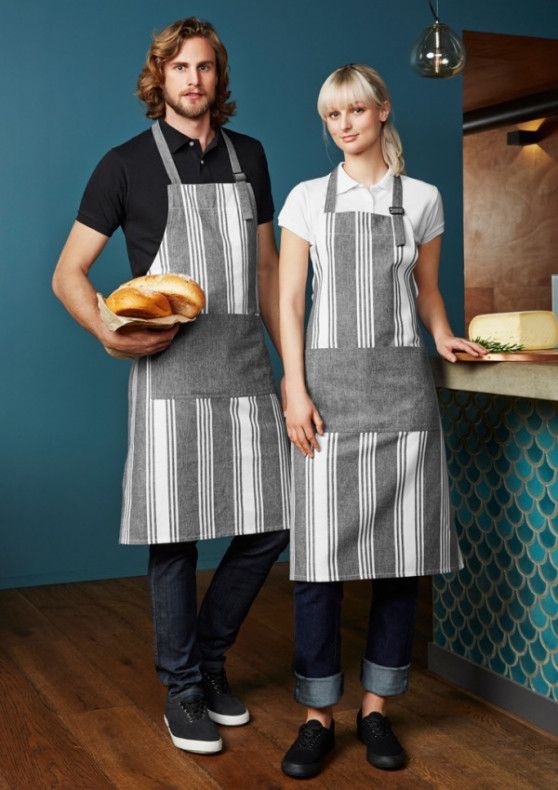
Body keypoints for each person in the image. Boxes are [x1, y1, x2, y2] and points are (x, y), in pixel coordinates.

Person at [52, 17, 290, 756]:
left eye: (207, 67)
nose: (194, 79)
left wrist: (295, 376)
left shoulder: (250, 156)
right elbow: (68, 274)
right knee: (175, 536)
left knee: (270, 523)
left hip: (247, 366)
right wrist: (106, 331)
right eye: (181, 67)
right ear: (161, 79)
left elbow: (268, 272)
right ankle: (184, 688)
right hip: (170, 373)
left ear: (221, 78)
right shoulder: (124, 164)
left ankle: (211, 662)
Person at [277, 64, 487, 779]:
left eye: (357, 110)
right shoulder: (307, 199)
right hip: (327, 397)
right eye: (333, 115)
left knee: (401, 560)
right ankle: (316, 717)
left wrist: (445, 334)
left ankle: (376, 710)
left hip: (402, 394)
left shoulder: (422, 199)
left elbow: (426, 293)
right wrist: (294, 388)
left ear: (382, 112)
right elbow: (291, 303)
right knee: (318, 567)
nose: (345, 125)